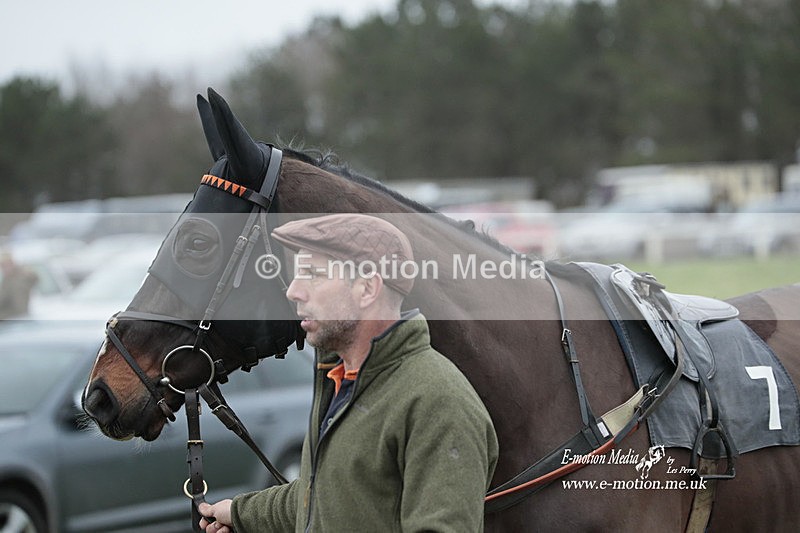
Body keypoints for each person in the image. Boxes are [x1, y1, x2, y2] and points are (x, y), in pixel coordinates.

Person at [199, 214, 498, 532]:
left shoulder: (438, 402)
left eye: (313, 275)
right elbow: (323, 496)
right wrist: (239, 513)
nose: (293, 291)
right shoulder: (340, 380)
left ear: (367, 288)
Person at [0, 249, 38, 319]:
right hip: (10, 317)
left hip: (20, 315)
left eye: (6, 265)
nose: (4, 268)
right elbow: (3, 299)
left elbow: (34, 278)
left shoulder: (21, 276)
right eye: (2, 266)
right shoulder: (6, 280)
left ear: (12, 264)